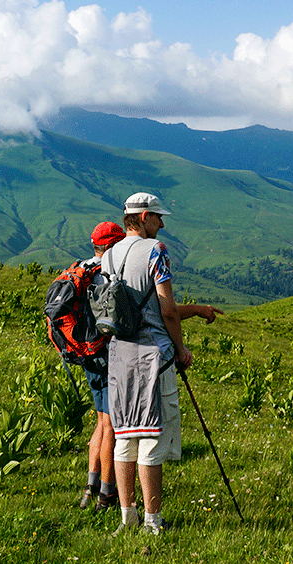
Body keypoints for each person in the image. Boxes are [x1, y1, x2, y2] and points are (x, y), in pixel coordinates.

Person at [105, 192, 223, 535]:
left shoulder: (109, 255)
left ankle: (126, 518)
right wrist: (181, 349)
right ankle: (152, 522)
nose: (162, 223)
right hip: (151, 356)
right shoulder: (156, 252)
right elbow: (167, 309)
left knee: (124, 437)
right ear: (143, 217)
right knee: (152, 437)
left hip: (119, 355)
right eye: (157, 216)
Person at [79, 221, 126, 511]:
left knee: (100, 422)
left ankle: (90, 487)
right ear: (111, 245)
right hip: (105, 353)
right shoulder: (107, 273)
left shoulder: (82, 268)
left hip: (85, 354)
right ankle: (107, 495)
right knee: (111, 426)